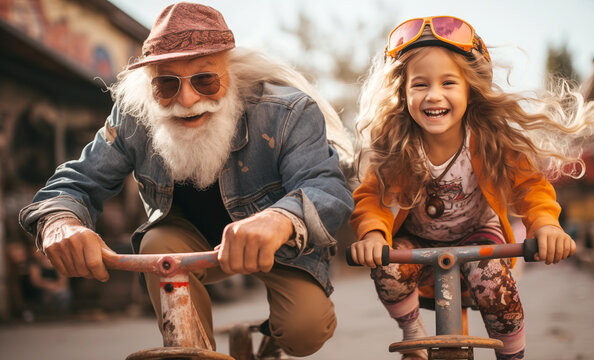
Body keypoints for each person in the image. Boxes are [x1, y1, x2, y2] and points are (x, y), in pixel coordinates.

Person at [19, 2, 354, 358]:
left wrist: (279, 219)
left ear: (231, 72)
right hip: (183, 242)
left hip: (276, 250)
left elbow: (326, 187)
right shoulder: (135, 116)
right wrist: (59, 222)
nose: (187, 99)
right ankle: (194, 351)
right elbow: (77, 180)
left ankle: (270, 337)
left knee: (305, 333)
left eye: (205, 80)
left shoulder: (287, 112)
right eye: (166, 84)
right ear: (151, 85)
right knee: (158, 245)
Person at [348, 16, 594, 360]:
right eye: (419, 85)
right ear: (402, 91)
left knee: (492, 278)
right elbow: (373, 196)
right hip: (419, 244)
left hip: (479, 237)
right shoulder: (399, 145)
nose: (434, 95)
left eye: (448, 83)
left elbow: (529, 186)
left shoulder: (489, 139)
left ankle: (512, 355)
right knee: (386, 268)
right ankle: (412, 334)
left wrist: (546, 226)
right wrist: (372, 235)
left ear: (470, 88)